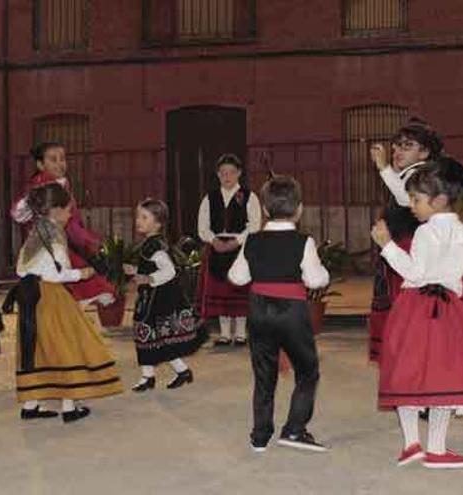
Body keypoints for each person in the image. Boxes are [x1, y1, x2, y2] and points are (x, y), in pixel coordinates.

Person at [371, 161, 463, 469]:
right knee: (445, 377)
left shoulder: (426, 233)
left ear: (438, 200)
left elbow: (416, 271)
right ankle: (437, 449)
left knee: (407, 372)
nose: (411, 206)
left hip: (415, 308)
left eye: (416, 199)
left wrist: (387, 246)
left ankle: (411, 443)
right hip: (450, 313)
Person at [368, 118, 463, 364]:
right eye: (396, 146)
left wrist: (383, 168)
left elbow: (402, 196)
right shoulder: (413, 175)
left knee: (413, 315)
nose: (397, 151)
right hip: (405, 248)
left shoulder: (421, 176)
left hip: (411, 251)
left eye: (407, 146)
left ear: (425, 152)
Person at [229, 175, 331, 453]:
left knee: (264, 375)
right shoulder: (303, 241)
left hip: (259, 310)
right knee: (307, 370)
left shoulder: (252, 240)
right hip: (292, 313)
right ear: (299, 209)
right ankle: (295, 430)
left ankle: (260, 436)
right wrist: (324, 274)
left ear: (264, 209)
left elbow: (237, 278)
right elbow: (314, 280)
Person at [9, 183, 123, 423]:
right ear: (56, 211)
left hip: (30, 296)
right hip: (51, 296)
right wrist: (82, 274)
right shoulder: (55, 235)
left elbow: (22, 266)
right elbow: (57, 273)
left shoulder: (36, 230)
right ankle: (69, 405)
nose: (70, 214)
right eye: (68, 209)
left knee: (37, 347)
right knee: (67, 345)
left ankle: (31, 404)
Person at [11, 142, 115, 307]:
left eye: (62, 159)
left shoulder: (60, 185)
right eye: (53, 159)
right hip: (49, 246)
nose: (60, 163)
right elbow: (19, 213)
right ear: (40, 164)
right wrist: (92, 243)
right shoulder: (42, 187)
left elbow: (72, 224)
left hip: (54, 244)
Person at [126, 199, 207, 392]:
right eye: (138, 216)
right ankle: (173, 373)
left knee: (153, 336)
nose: (138, 220)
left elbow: (169, 271)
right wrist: (135, 270)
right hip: (150, 298)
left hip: (158, 300)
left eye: (144, 217)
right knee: (151, 337)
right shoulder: (149, 243)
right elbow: (151, 266)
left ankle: (152, 376)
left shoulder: (156, 246)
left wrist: (148, 278)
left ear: (158, 223)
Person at [196, 154, 262, 346]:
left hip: (240, 249)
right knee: (221, 291)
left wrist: (238, 241)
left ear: (239, 173)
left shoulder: (249, 197)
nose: (227, 177)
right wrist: (213, 240)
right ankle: (224, 334)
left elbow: (255, 225)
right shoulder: (210, 198)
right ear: (218, 175)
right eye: (223, 173)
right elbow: (202, 226)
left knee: (238, 289)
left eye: (231, 173)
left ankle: (241, 333)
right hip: (216, 247)